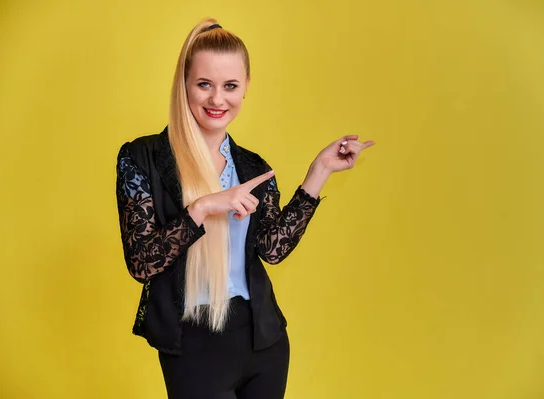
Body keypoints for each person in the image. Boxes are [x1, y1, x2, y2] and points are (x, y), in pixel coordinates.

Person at [115, 18, 374, 399]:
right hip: (193, 344)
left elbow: (272, 249)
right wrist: (202, 208)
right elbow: (142, 264)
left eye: (230, 86)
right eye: (204, 84)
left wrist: (318, 172)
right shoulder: (142, 158)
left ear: (246, 87)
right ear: (183, 83)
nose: (217, 100)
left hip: (262, 339)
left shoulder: (251, 166)